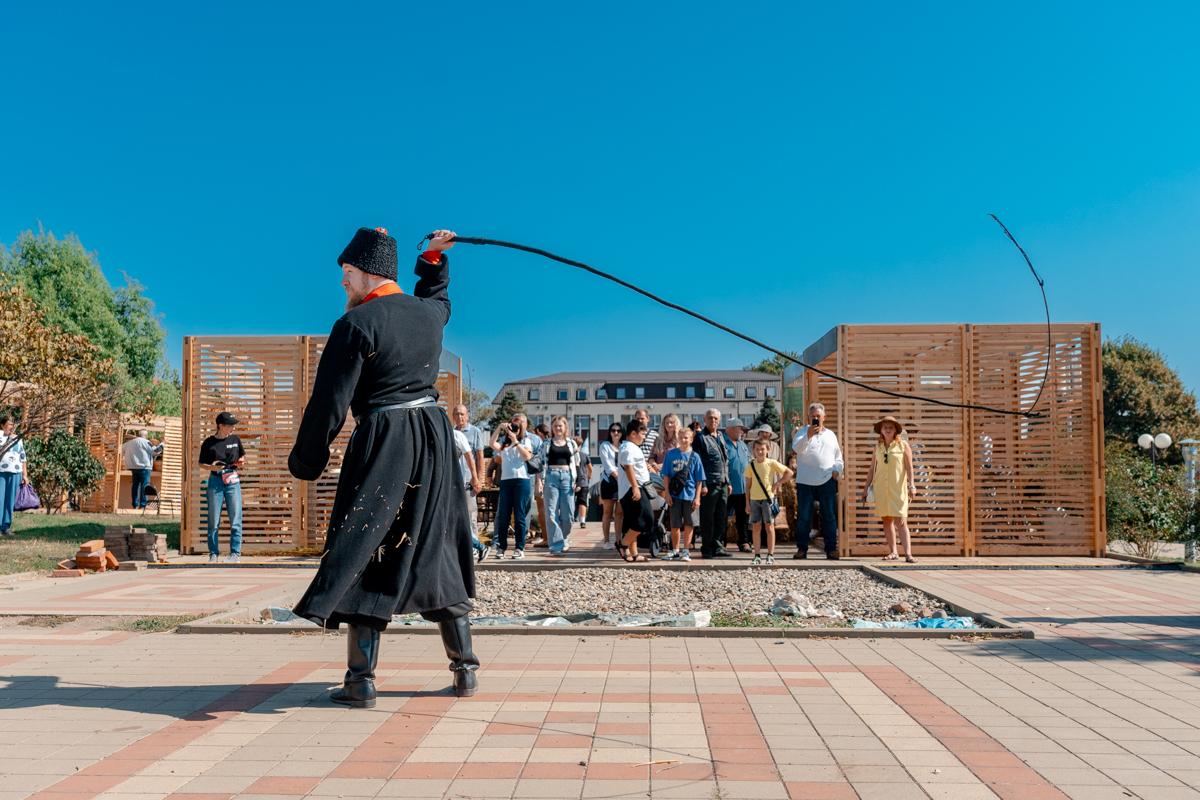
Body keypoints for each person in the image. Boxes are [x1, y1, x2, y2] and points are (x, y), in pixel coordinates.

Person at [287, 227, 479, 705]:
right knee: (434, 545)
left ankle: (360, 682)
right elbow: (438, 294)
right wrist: (434, 255)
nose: (342, 284)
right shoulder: (430, 316)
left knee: (367, 542)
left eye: (346, 275)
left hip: (385, 439)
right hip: (434, 441)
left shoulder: (355, 325)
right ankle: (465, 670)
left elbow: (328, 403)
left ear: (364, 273)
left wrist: (307, 460)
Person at [790, 402, 844, 560]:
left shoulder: (831, 435)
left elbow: (838, 458)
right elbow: (797, 449)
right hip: (805, 482)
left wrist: (837, 472)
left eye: (818, 416)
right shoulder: (801, 433)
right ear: (808, 417)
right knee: (804, 517)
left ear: (824, 417)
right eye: (812, 416)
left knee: (829, 516)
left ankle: (831, 549)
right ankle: (802, 549)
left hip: (827, 480)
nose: (815, 419)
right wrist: (809, 435)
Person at [861, 416, 918, 563]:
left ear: (895, 430)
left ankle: (908, 554)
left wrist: (912, 485)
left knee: (901, 520)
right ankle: (893, 552)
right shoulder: (877, 447)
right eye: (885, 427)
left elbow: (910, 467)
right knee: (886, 520)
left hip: (898, 488)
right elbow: (871, 469)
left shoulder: (903, 445)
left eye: (890, 427)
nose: (887, 429)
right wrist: (866, 488)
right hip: (881, 488)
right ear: (881, 430)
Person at [198, 412, 245, 563]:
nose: (233, 428)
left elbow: (242, 457)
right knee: (213, 519)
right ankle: (213, 553)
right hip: (216, 480)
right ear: (220, 426)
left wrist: (241, 463)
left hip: (232, 479)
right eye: (230, 425)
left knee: (235, 518)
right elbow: (201, 463)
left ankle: (235, 554)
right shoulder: (209, 442)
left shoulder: (235, 439)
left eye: (233, 425)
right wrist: (211, 467)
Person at [489, 413, 537, 559]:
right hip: (506, 482)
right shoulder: (504, 444)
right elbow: (492, 444)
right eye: (512, 425)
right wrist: (499, 428)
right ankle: (501, 548)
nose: (514, 429)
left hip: (521, 481)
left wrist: (516, 441)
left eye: (517, 427)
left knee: (519, 516)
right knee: (503, 516)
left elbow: (527, 456)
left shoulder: (526, 441)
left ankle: (519, 548)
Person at [744, 439, 794, 565]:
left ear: (768, 450)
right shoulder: (751, 465)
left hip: (768, 499)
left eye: (762, 449)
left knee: (769, 526)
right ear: (753, 450)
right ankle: (757, 555)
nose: (760, 452)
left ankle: (770, 555)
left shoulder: (772, 463)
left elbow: (789, 472)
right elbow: (748, 485)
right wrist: (747, 503)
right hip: (754, 500)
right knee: (756, 527)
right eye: (757, 449)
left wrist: (778, 483)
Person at [660, 425, 705, 561]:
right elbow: (666, 476)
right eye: (680, 437)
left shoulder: (695, 456)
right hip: (675, 495)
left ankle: (686, 550)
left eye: (686, 438)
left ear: (691, 439)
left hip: (690, 495)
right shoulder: (671, 454)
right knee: (675, 524)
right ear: (677, 439)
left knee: (689, 524)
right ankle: (675, 550)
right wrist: (667, 493)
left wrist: (697, 498)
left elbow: (699, 480)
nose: (683, 440)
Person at [536, 416, 578, 555]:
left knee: (569, 515)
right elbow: (539, 464)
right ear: (552, 428)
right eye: (555, 426)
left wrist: (579, 481)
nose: (558, 428)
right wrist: (539, 482)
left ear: (565, 427)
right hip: (551, 477)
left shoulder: (571, 443)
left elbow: (577, 464)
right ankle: (555, 546)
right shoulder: (546, 443)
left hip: (568, 478)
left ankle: (564, 538)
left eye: (560, 426)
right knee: (551, 513)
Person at [695, 409, 732, 558]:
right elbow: (698, 463)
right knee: (707, 518)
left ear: (719, 420)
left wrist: (728, 481)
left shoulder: (721, 436)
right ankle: (707, 549)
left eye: (716, 418)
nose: (713, 421)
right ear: (704, 419)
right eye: (710, 418)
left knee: (721, 517)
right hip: (709, 484)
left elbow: (726, 461)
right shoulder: (700, 437)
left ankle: (718, 547)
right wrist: (702, 484)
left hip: (723, 484)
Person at [618, 418, 654, 562]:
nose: (644, 437)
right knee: (646, 520)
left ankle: (634, 553)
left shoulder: (630, 447)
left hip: (633, 488)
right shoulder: (629, 447)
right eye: (643, 434)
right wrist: (634, 487)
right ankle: (623, 544)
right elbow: (628, 467)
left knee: (634, 522)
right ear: (633, 434)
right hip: (634, 488)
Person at [452, 404, 487, 543]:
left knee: (471, 514)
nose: (460, 417)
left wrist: (478, 479)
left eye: (462, 414)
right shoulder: (451, 432)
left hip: (469, 481)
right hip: (455, 481)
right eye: (457, 414)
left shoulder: (475, 431)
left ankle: (475, 545)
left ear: (467, 415)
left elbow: (479, 457)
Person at [454, 425, 486, 562]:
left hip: (460, 484)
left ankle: (476, 547)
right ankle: (476, 547)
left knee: (466, 517)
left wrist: (476, 478)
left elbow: (473, 457)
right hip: (443, 486)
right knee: (453, 521)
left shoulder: (457, 435)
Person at [722, 418, 751, 552]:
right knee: (722, 517)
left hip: (743, 487)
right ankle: (721, 542)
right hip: (727, 487)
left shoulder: (743, 445)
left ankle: (744, 542)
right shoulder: (721, 443)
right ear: (732, 428)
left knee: (743, 517)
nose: (742, 431)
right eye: (740, 428)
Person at [0, 416, 29, 537]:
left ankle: (6, 527)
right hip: (1, 471)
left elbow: (23, 457)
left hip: (15, 472)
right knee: (0, 499)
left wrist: (24, 475)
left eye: (14, 424)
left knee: (10, 500)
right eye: (10, 424)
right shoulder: (0, 437)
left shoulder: (18, 438)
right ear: (2, 425)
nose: (12, 427)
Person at [122, 429, 164, 509]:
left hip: (133, 467)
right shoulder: (146, 442)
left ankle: (135, 505)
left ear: (138, 434)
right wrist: (163, 443)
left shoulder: (129, 443)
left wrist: (126, 455)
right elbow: (156, 451)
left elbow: (121, 449)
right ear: (146, 435)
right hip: (144, 467)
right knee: (145, 485)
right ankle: (143, 505)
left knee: (135, 486)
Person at [599, 423, 624, 550]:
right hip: (609, 482)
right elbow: (607, 464)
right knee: (607, 512)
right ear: (610, 432)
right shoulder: (604, 445)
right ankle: (606, 541)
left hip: (622, 483)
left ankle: (619, 541)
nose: (616, 432)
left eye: (618, 430)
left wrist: (623, 477)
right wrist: (616, 475)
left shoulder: (625, 446)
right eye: (613, 430)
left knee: (619, 513)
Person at [573, 435, 591, 528]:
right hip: (583, 482)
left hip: (572, 481)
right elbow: (590, 468)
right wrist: (589, 475)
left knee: (571, 501)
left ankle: (570, 519)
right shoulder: (585, 456)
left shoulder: (571, 455)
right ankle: (582, 521)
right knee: (582, 502)